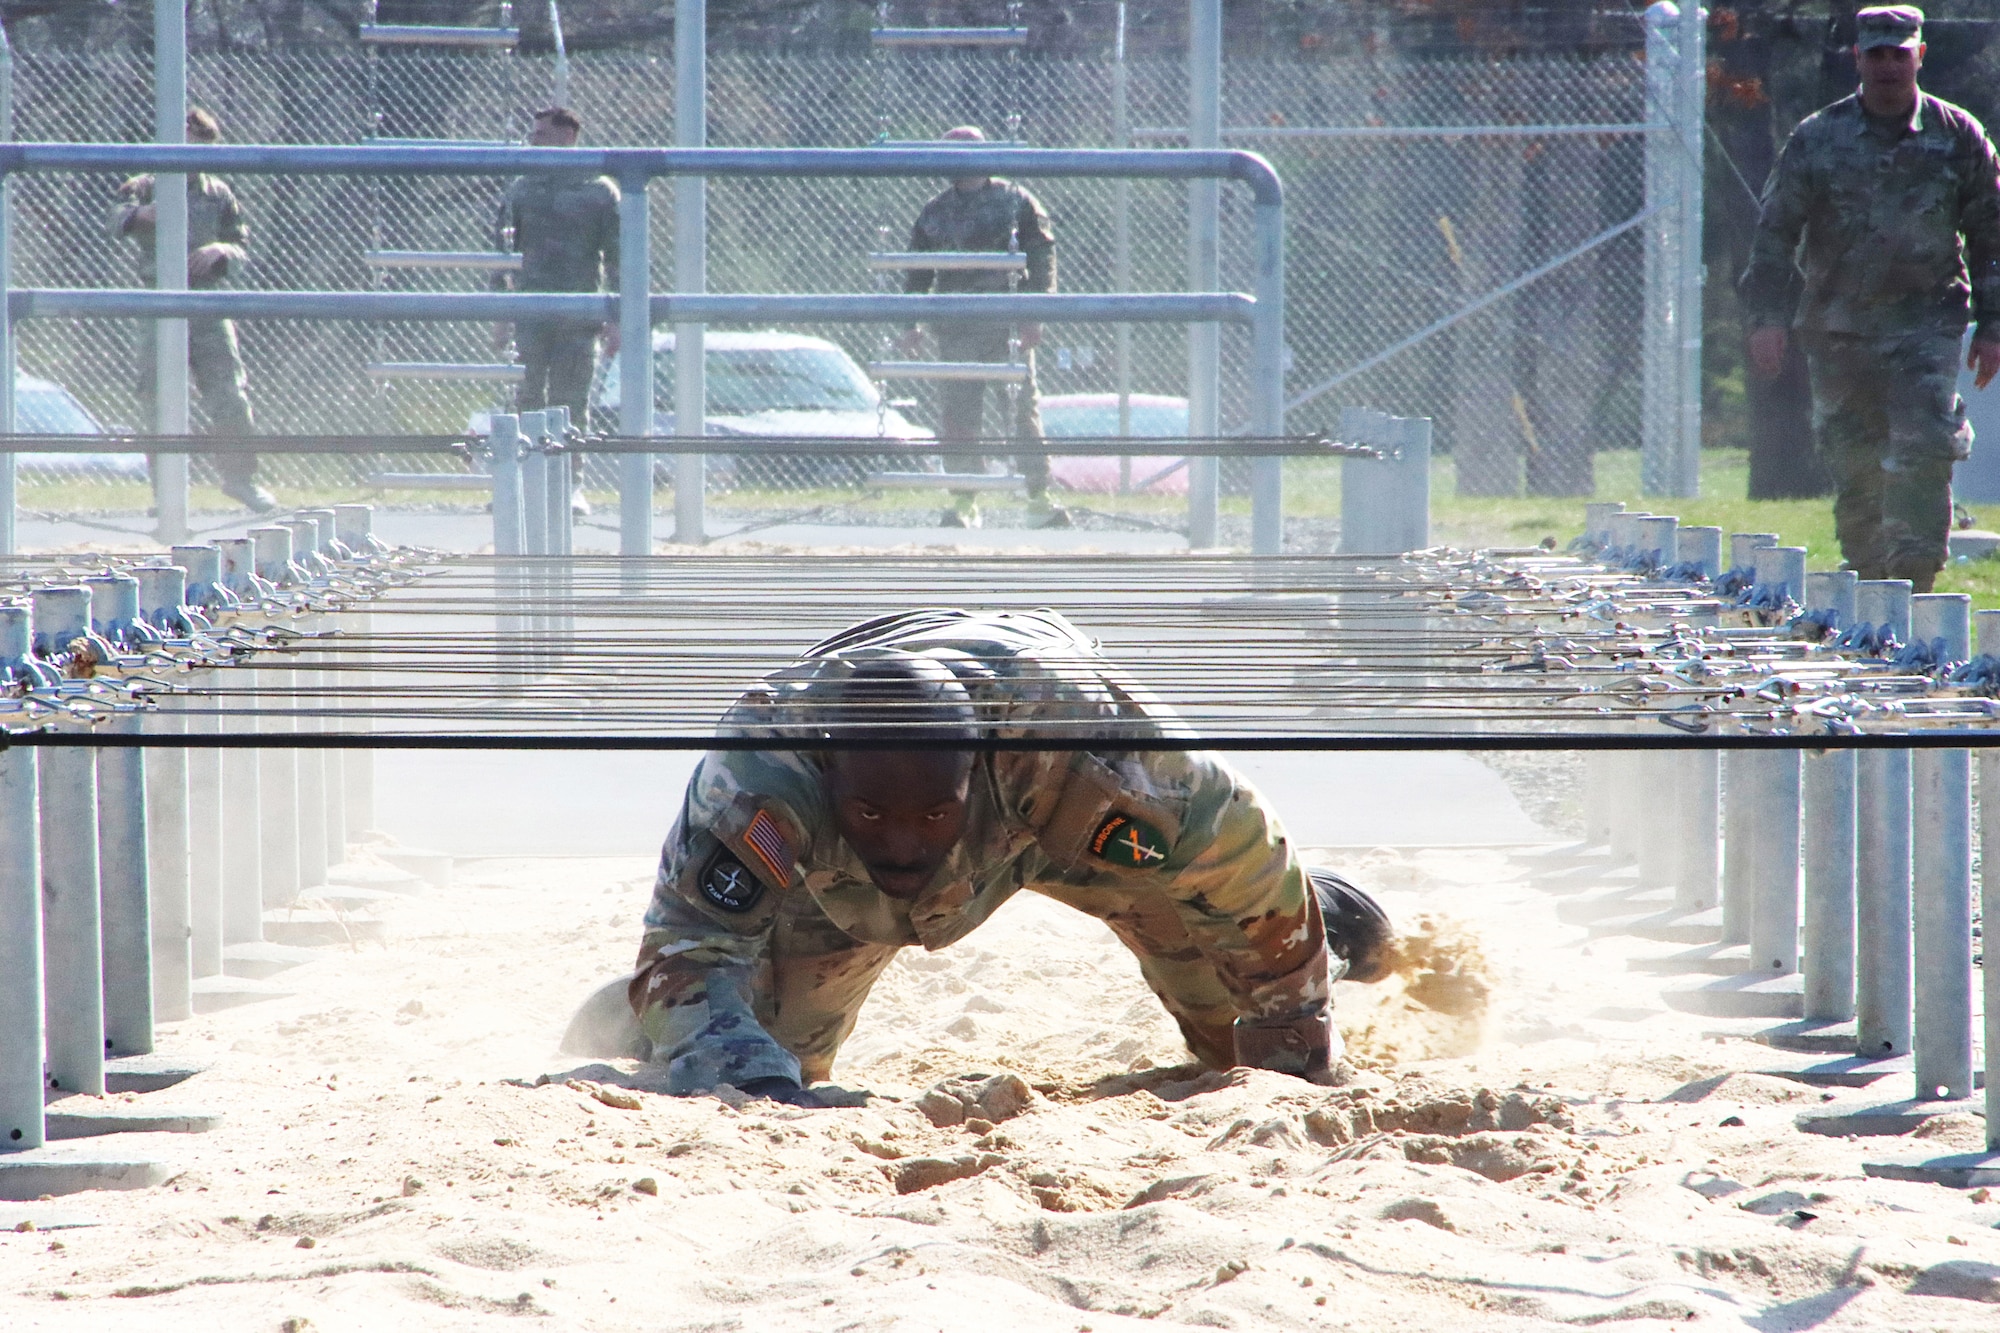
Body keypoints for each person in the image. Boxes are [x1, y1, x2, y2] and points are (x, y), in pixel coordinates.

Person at [606, 607, 1394, 1108]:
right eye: (874, 811)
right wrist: (753, 1074)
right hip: (835, 882)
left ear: (977, 772)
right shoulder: (761, 781)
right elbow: (690, 947)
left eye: (932, 812)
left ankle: (1332, 917)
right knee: (767, 1061)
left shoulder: (1088, 756)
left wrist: (1293, 1048)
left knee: (1247, 1038)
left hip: (1044, 823)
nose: (906, 843)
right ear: (830, 779)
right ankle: (630, 1013)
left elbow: (1240, 857)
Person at [1740, 5, 2000, 593]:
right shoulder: (1818, 137)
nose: (1887, 66)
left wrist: (1992, 323)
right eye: (1876, 54)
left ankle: (1916, 581)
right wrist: (1766, 318)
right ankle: (1869, 587)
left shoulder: (1957, 135)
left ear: (1919, 56)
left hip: (1925, 324)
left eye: (1899, 54)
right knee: (1855, 464)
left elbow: (1990, 234)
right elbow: (1776, 231)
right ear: (1857, 59)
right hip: (1839, 328)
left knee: (1923, 448)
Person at [899, 126, 1069, 531]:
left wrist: (1034, 311)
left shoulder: (1014, 201)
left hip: (1004, 324)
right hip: (956, 326)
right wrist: (911, 323)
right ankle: (964, 501)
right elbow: (916, 272)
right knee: (959, 415)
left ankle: (1039, 499)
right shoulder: (935, 211)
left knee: (1021, 412)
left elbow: (1042, 254)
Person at [109, 107, 274, 514]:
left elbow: (240, 243)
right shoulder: (146, 186)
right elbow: (113, 217)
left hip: (206, 302)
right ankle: (165, 494)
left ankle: (240, 479)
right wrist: (138, 216)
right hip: (158, 300)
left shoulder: (218, 193)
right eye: (184, 141)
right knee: (158, 397)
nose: (191, 153)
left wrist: (221, 251)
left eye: (200, 146)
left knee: (229, 394)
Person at [493, 107, 621, 428]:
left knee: (572, 405)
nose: (534, 142)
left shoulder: (598, 190)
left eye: (543, 135)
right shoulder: (521, 190)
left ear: (568, 136)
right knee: (526, 400)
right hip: (530, 313)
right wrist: (499, 313)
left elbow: (618, 258)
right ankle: (527, 472)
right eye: (533, 135)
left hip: (578, 316)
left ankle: (570, 475)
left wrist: (616, 317)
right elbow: (501, 255)